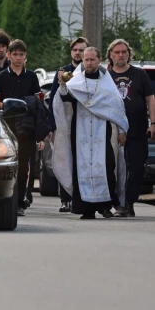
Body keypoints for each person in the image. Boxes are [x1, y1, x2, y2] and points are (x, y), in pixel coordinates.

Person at [52, 47, 128, 220]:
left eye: (92, 59)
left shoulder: (107, 84)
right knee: (83, 168)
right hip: (81, 133)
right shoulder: (75, 81)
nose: (89, 63)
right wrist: (63, 85)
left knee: (107, 166)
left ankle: (105, 206)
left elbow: (117, 108)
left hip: (102, 132)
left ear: (99, 59)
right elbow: (65, 99)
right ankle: (86, 209)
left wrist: (122, 130)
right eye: (86, 60)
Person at [0, 40, 47, 217]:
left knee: (24, 166)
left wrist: (40, 134)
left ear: (25, 57)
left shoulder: (31, 77)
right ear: (8, 55)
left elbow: (37, 101)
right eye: (14, 54)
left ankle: (20, 201)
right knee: (6, 165)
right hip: (7, 127)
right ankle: (5, 198)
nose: (18, 58)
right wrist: (7, 106)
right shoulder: (1, 77)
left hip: (27, 128)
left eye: (21, 55)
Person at [107, 39, 155, 217]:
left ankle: (128, 203)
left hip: (137, 129)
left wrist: (153, 124)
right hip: (111, 131)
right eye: (117, 52)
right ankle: (115, 203)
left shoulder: (140, 74)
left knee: (136, 169)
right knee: (113, 169)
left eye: (123, 52)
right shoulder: (106, 76)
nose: (121, 55)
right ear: (111, 55)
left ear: (129, 54)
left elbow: (150, 99)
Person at [49, 37, 88, 213]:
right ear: (71, 51)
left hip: (86, 123)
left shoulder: (90, 70)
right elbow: (54, 99)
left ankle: (82, 197)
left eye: (82, 50)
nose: (78, 53)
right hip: (66, 122)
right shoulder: (64, 71)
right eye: (76, 50)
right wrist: (51, 125)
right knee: (65, 157)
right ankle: (65, 199)